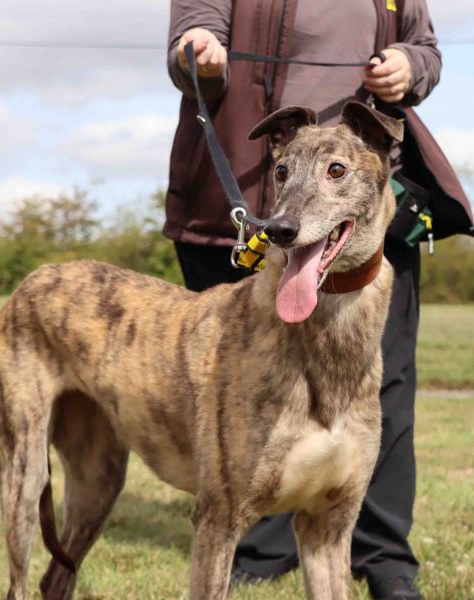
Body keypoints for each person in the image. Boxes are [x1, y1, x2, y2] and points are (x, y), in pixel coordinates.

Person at [163, 2, 443, 598]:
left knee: (382, 392)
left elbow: (424, 48)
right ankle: (259, 552)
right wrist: (199, 51)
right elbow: (193, 36)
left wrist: (409, 65)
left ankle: (383, 557)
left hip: (365, 199)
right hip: (239, 191)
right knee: (251, 396)